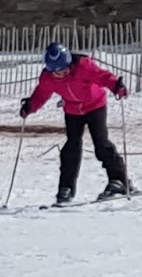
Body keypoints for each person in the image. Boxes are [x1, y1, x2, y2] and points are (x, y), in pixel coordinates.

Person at [20, 43, 133, 205]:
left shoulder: (83, 66)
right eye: (57, 73)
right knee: (71, 148)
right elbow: (41, 94)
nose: (62, 75)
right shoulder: (47, 78)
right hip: (72, 110)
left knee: (101, 144)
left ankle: (119, 180)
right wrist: (30, 106)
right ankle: (66, 188)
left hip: (95, 106)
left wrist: (116, 86)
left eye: (65, 70)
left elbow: (102, 76)